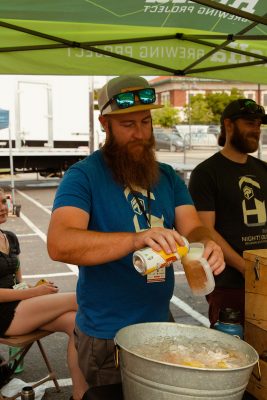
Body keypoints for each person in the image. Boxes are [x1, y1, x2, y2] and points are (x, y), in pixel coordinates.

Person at [47, 75, 225, 388]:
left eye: (145, 121)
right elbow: (60, 243)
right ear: (105, 123)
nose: (140, 133)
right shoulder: (83, 176)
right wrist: (135, 238)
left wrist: (207, 244)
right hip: (107, 335)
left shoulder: (167, 175)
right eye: (128, 124)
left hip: (160, 323)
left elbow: (193, 226)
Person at [0, 188, 88, 400]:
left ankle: (79, 394)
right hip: (3, 315)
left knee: (75, 323)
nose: (3, 207)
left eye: (3, 201)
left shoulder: (9, 237)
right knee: (80, 299)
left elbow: (18, 283)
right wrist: (36, 293)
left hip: (20, 307)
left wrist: (34, 288)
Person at [188, 98, 267, 328]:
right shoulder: (206, 173)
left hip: (264, 278)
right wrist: (245, 267)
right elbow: (204, 229)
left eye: (259, 124)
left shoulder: (263, 169)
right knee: (234, 352)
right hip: (229, 284)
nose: (256, 130)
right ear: (229, 125)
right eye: (250, 123)